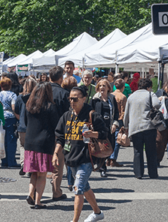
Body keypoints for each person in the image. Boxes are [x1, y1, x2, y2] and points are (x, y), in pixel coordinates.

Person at [55, 86, 107, 222]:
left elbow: (104, 133)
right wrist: (56, 153)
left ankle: (75, 220)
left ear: (84, 99)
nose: (72, 101)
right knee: (84, 187)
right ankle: (97, 212)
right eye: (70, 99)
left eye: (75, 99)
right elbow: (60, 136)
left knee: (77, 189)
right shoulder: (67, 116)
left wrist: (93, 133)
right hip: (71, 158)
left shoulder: (91, 115)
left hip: (86, 159)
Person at [23, 82, 60, 209]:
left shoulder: (29, 105)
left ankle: (30, 194)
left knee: (34, 172)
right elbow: (56, 125)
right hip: (44, 142)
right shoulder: (50, 106)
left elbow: (26, 122)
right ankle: (38, 201)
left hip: (30, 142)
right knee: (42, 174)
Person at [124, 78, 161, 179]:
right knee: (151, 151)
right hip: (148, 126)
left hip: (135, 127)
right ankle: (152, 173)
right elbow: (157, 104)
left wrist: (126, 126)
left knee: (137, 151)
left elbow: (126, 113)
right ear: (149, 87)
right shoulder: (150, 94)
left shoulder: (131, 97)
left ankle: (138, 173)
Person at [46, 66, 71, 200]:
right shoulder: (64, 93)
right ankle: (56, 191)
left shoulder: (41, 91)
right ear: (61, 78)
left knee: (40, 163)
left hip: (42, 131)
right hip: (59, 133)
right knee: (58, 163)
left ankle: (34, 192)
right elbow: (68, 114)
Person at [90, 79, 119, 176]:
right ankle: (102, 167)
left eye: (104, 85)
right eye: (100, 86)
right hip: (98, 127)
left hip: (109, 126)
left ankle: (102, 163)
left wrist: (115, 124)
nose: (102, 87)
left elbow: (116, 113)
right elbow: (91, 112)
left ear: (108, 88)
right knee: (100, 146)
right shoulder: (95, 99)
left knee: (110, 146)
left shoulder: (112, 98)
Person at [0, 77, 22, 168]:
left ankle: (4, 161)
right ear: (10, 85)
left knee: (2, 139)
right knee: (11, 140)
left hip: (0, 118)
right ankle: (11, 161)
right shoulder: (12, 95)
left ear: (1, 86)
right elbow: (14, 107)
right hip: (10, 117)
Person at [17, 77, 38, 177]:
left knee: (22, 146)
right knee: (32, 148)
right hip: (33, 126)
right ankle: (30, 166)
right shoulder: (37, 98)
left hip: (22, 126)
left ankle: (23, 163)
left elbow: (16, 110)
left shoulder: (20, 97)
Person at [108, 78, 128, 167]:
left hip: (110, 119)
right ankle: (113, 159)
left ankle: (108, 158)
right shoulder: (123, 97)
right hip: (119, 119)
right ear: (123, 87)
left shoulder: (110, 95)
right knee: (117, 140)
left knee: (109, 139)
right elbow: (124, 111)